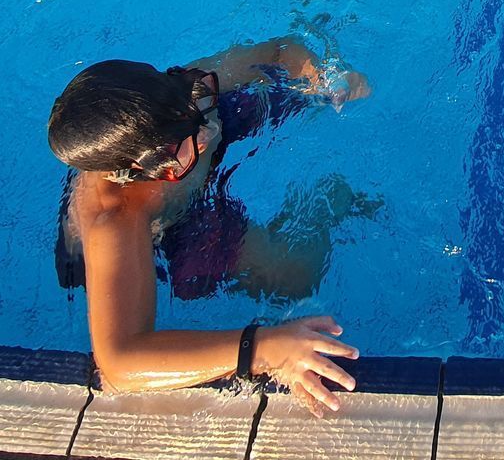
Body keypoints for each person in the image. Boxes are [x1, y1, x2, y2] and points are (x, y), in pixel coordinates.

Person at [48, 37, 374, 416]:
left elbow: (280, 52)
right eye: (183, 148)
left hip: (173, 144)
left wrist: (325, 80)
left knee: (270, 93)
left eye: (194, 112)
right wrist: (264, 348)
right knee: (293, 276)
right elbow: (120, 363)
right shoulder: (117, 219)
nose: (206, 136)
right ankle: (335, 200)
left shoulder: (194, 93)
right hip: (173, 229)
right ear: (132, 171)